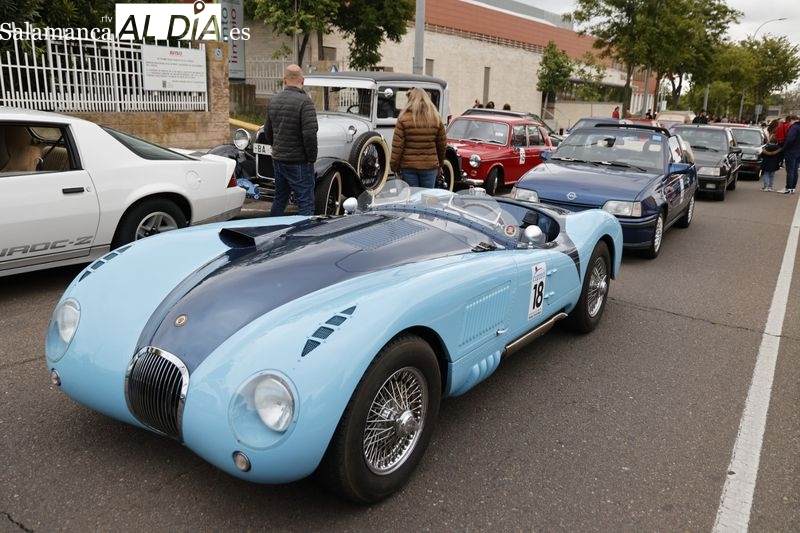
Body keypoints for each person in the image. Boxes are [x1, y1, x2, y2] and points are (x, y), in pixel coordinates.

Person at [263, 64, 318, 216]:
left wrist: (277, 147)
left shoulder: (274, 100)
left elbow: (268, 130)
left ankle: (272, 232)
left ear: (284, 80)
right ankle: (303, 237)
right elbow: (310, 134)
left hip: (278, 159)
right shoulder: (305, 102)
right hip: (299, 161)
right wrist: (311, 158)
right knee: (305, 202)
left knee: (280, 199)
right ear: (303, 81)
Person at [390, 87, 447, 188]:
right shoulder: (436, 118)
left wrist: (394, 167)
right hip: (430, 166)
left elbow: (397, 147)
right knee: (427, 197)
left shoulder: (403, 118)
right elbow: (442, 145)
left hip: (408, 166)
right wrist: (440, 164)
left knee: (411, 197)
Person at [777, 115, 800, 194]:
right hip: (798, 152)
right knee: (795, 170)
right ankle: (793, 188)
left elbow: (790, 139)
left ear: (791, 120)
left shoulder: (794, 127)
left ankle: (788, 188)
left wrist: (784, 148)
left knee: (790, 170)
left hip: (791, 152)